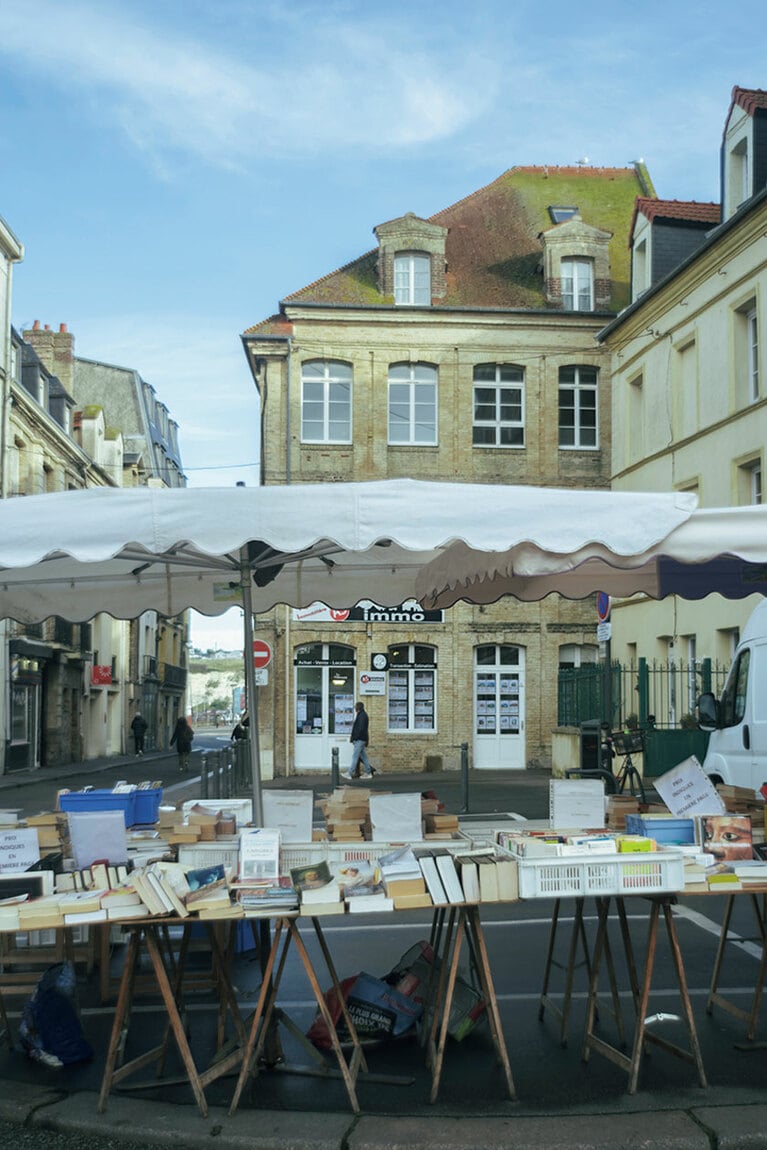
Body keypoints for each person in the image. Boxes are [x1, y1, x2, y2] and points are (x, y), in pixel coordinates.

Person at [343, 701, 376, 780]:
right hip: (361, 739)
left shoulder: (362, 716)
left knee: (355, 756)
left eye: (355, 707)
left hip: (360, 739)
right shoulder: (361, 715)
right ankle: (368, 773)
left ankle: (350, 773)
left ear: (358, 707)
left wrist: (355, 738)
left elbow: (360, 729)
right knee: (364, 757)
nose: (354, 708)